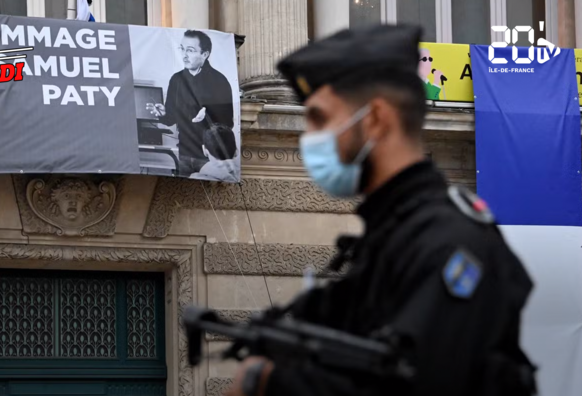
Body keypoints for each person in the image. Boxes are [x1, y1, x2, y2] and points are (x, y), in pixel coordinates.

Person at [225, 24, 538, 396]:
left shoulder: (449, 243)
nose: (308, 138)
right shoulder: (388, 237)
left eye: (321, 119)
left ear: (374, 120)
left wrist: (265, 382)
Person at [146, 30, 234, 176]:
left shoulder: (220, 81)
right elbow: (171, 119)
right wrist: (163, 114)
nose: (184, 55)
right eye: (182, 49)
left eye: (191, 50)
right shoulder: (176, 79)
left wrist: (208, 116)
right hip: (184, 154)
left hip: (210, 156)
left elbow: (228, 124)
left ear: (205, 54)